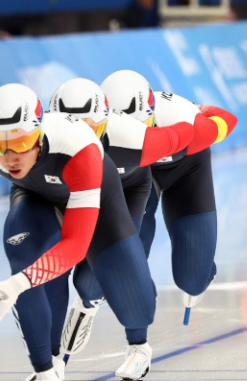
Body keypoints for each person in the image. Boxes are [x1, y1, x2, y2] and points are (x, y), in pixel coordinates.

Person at [0, 14, 156, 381]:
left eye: (18, 144)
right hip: (35, 194)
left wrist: (16, 285)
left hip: (96, 193)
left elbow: (76, 246)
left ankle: (139, 346)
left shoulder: (79, 152)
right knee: (24, 256)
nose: (10, 156)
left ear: (37, 134)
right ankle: (47, 370)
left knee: (131, 295)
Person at [103, 70, 237, 318]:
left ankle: (202, 271)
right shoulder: (97, 132)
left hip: (187, 171)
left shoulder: (185, 119)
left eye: (142, 129)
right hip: (139, 177)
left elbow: (228, 120)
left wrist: (200, 109)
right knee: (129, 256)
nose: (138, 140)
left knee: (192, 280)